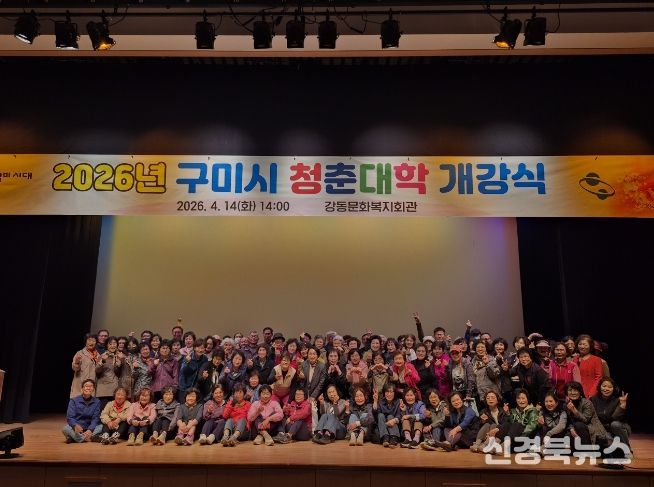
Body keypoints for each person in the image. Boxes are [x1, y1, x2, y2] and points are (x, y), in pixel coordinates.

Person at [590, 377, 631, 453]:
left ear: (614, 388)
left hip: (618, 428)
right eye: (604, 386)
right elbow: (593, 418)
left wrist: (622, 406)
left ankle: (627, 449)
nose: (606, 389)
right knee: (608, 449)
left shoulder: (618, 400)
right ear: (600, 387)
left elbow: (615, 418)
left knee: (614, 424)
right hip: (602, 429)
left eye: (609, 387)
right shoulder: (593, 399)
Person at [564, 381, 608, 447]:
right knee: (567, 434)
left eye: (575, 390)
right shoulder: (566, 405)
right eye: (570, 390)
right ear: (566, 393)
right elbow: (568, 421)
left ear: (580, 392)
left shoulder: (587, 403)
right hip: (577, 430)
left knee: (579, 425)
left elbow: (585, 420)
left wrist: (574, 411)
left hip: (594, 433)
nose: (572, 393)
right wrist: (571, 428)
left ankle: (587, 450)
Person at [496, 388, 539, 453]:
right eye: (518, 398)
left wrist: (519, 437)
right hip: (513, 441)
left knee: (517, 424)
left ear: (528, 399)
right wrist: (507, 413)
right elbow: (507, 425)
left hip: (525, 439)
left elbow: (531, 427)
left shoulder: (533, 411)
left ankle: (503, 446)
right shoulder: (513, 411)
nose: (521, 401)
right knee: (506, 424)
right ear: (515, 400)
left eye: (523, 398)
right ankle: (495, 444)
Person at [470, 341, 501, 408]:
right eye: (478, 347)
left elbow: (495, 374)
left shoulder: (492, 359)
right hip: (480, 395)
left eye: (482, 347)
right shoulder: (473, 361)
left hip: (492, 395)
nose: (480, 349)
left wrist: (487, 363)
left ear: (486, 349)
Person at [70, 334, 102, 398]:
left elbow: (98, 371)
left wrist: (101, 363)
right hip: (80, 384)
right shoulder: (80, 353)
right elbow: (75, 369)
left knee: (90, 401)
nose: (91, 343)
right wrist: (76, 362)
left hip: (91, 384)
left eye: (93, 341)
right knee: (78, 401)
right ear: (86, 342)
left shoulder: (98, 355)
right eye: (89, 340)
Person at [95, 336, 122, 408]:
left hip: (115, 388)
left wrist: (119, 363)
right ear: (106, 345)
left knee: (114, 411)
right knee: (103, 410)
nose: (113, 345)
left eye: (114, 343)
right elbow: (97, 371)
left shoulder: (120, 356)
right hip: (104, 388)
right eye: (110, 344)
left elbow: (119, 373)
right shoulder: (102, 356)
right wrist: (103, 361)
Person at [374, 384, 401, 448]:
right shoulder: (381, 401)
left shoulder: (398, 401)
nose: (389, 394)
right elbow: (376, 416)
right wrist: (375, 401)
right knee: (380, 415)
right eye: (387, 392)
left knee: (390, 416)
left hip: (394, 426)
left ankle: (394, 437)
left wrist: (393, 420)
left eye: (391, 392)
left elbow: (399, 415)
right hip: (383, 427)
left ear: (394, 393)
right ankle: (385, 437)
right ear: (384, 393)